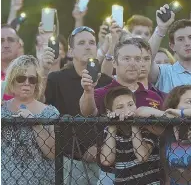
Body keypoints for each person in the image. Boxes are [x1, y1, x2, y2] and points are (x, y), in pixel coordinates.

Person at [80, 38, 165, 184]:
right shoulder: (102, 93)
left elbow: (163, 131)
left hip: (150, 172)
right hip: (111, 173)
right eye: (126, 58)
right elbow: (87, 112)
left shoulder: (154, 96)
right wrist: (88, 91)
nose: (133, 63)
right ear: (114, 62)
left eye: (137, 59)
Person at [44, 26, 112, 185]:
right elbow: (40, 103)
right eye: (81, 43)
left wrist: (101, 147)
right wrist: (43, 69)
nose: (88, 46)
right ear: (71, 51)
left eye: (92, 42)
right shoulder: (57, 78)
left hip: (104, 160)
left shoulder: (107, 81)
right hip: (68, 160)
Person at [1, 55, 59, 185]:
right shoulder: (2, 110)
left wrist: (35, 123)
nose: (26, 83)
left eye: (32, 79)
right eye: (21, 78)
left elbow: (53, 153)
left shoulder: (50, 112)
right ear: (11, 80)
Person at [100, 86, 161, 185]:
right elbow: (107, 160)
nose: (127, 110)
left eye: (130, 104)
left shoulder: (146, 127)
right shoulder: (109, 131)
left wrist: (134, 125)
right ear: (109, 112)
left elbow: (142, 156)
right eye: (120, 107)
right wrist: (112, 128)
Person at [1, 24, 22, 101]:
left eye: (10, 40)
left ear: (19, 45)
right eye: (1, 41)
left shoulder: (30, 75)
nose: (6, 45)